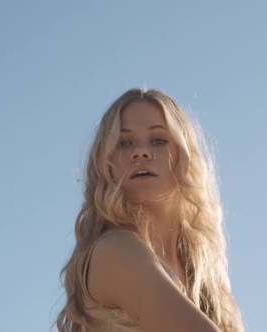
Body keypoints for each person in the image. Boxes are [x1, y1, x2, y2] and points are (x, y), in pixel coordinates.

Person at [56, 88, 244, 332]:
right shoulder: (116, 251)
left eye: (158, 140)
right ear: (107, 165)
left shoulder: (204, 280)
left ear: (184, 156)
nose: (140, 152)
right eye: (124, 143)